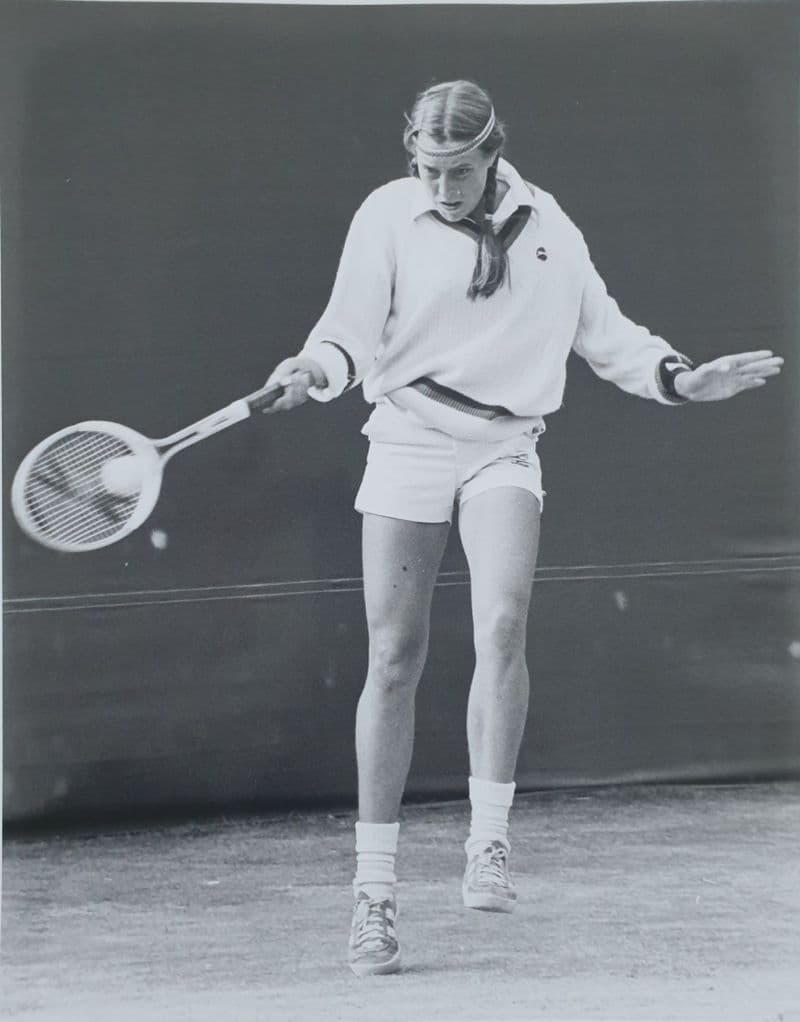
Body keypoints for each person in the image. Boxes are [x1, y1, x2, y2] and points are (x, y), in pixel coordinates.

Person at [263, 80, 783, 977]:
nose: (441, 187)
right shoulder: (386, 215)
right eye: (427, 169)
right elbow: (345, 331)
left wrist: (680, 378)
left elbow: (606, 333)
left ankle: (489, 843)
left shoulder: (551, 227)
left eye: (458, 171)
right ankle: (374, 895)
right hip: (407, 440)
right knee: (394, 655)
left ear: (492, 155)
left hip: (504, 447)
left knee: (503, 624)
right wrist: (314, 369)